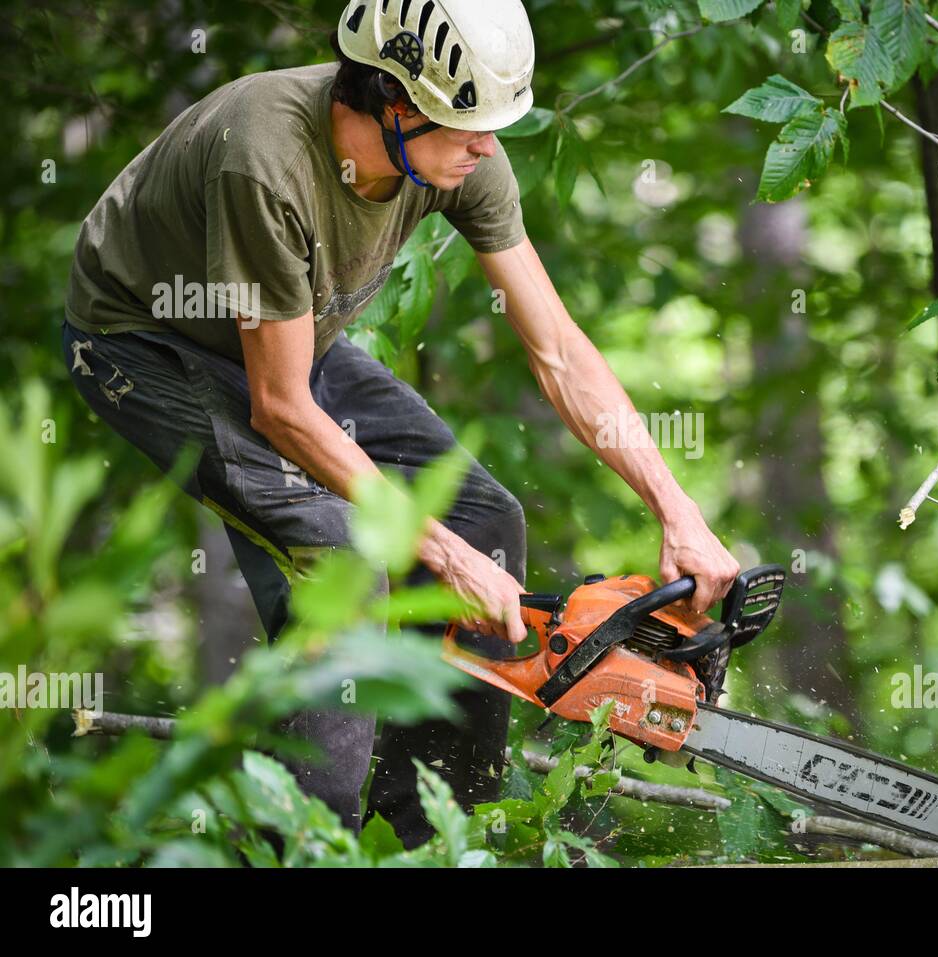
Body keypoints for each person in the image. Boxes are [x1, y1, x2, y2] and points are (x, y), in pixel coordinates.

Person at [61, 0, 739, 848]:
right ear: (392, 100)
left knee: (484, 521)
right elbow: (280, 407)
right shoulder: (265, 162)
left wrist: (678, 510)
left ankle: (429, 841)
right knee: (342, 561)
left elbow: (558, 349)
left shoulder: (462, 153)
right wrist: (441, 557)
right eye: (469, 127)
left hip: (279, 333)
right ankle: (317, 852)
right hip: (143, 342)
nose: (489, 146)